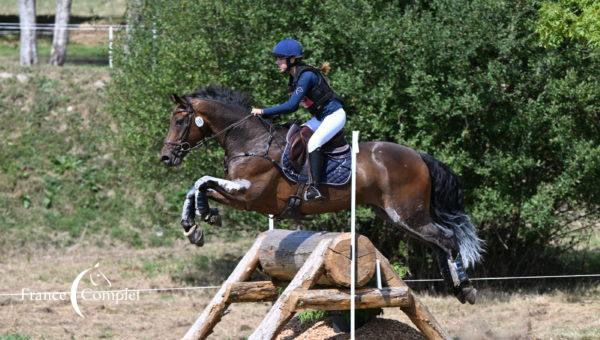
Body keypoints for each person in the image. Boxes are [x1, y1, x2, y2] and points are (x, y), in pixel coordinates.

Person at [252, 38, 346, 201]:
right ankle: (300, 175)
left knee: (314, 143)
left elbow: (291, 106)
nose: (277, 62)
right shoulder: (294, 77)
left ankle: (316, 188)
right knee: (297, 136)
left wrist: (263, 111)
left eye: (280, 58)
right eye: (277, 58)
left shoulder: (306, 76)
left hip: (334, 116)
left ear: (292, 59)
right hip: (321, 118)